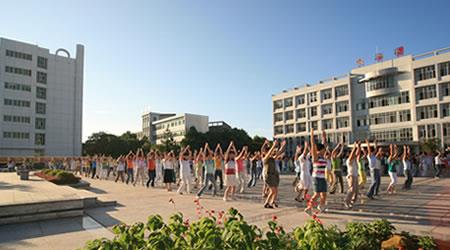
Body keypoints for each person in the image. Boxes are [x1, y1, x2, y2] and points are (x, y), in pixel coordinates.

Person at [305, 129, 331, 214]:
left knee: (324, 194)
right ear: (321, 150)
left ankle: (321, 207)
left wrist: (324, 136)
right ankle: (309, 208)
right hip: (316, 178)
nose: (325, 150)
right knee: (316, 194)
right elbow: (313, 145)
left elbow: (325, 144)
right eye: (324, 149)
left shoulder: (323, 157)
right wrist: (312, 135)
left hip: (323, 178)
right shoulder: (315, 157)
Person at [262, 140, 285, 209]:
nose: (272, 152)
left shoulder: (272, 158)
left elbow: (278, 153)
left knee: (275, 190)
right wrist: (273, 146)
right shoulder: (265, 158)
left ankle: (269, 202)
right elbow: (268, 154)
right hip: (268, 175)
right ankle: (268, 202)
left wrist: (282, 146)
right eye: (270, 151)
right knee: (273, 190)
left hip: (274, 175)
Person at [344, 141, 360, 209]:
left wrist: (358, 146)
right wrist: (354, 146)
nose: (354, 155)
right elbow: (353, 154)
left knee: (356, 191)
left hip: (356, 176)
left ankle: (351, 202)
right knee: (352, 189)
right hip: (351, 176)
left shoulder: (355, 160)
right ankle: (347, 202)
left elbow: (357, 153)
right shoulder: (349, 160)